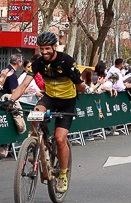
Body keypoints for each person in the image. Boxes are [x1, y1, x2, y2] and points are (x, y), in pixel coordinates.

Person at [8, 31, 86, 194]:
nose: (44, 52)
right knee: (34, 114)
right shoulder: (38, 63)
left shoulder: (67, 61)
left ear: (54, 46)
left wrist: (77, 80)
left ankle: (63, 174)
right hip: (49, 98)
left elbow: (82, 89)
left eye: (47, 49)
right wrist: (11, 100)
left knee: (60, 139)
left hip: (67, 102)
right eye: (41, 49)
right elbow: (23, 86)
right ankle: (36, 145)